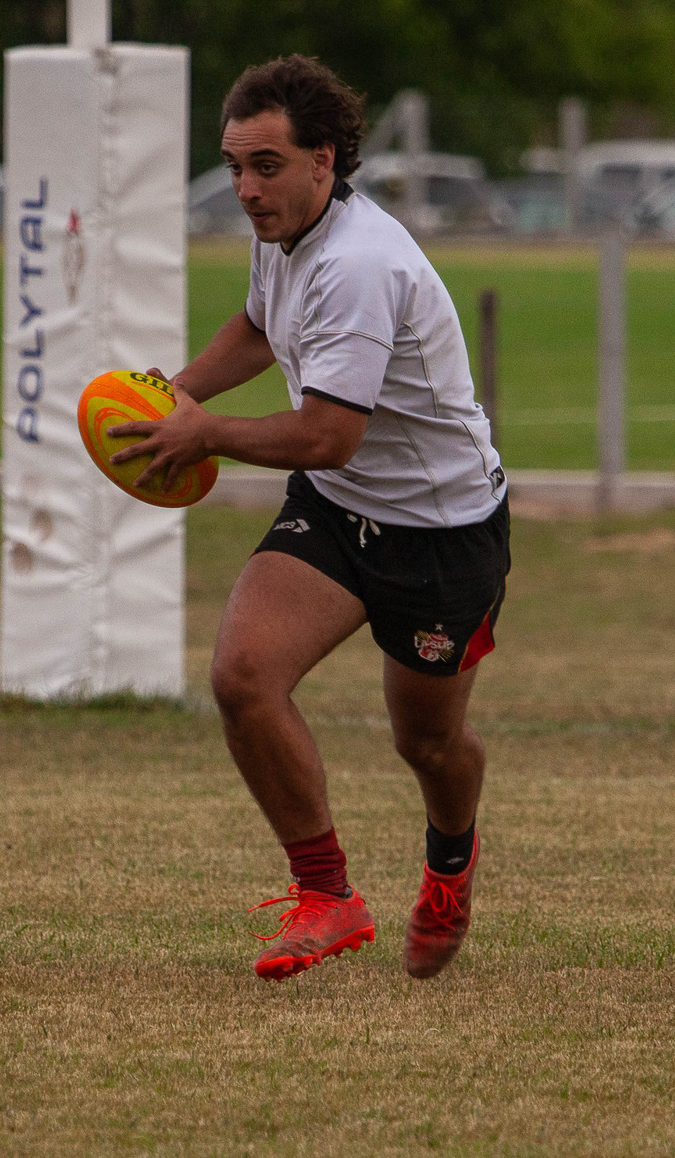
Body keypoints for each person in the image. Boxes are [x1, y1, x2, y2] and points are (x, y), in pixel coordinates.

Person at [111, 56, 508, 982]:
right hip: (339, 511)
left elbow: (328, 433)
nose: (245, 189)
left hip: (439, 533)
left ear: (324, 161)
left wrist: (203, 431)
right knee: (244, 674)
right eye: (234, 166)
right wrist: (176, 393)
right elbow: (256, 326)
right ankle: (327, 895)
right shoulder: (285, 231)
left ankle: (450, 865)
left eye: (266, 166)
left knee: (428, 741)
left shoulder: (361, 265)